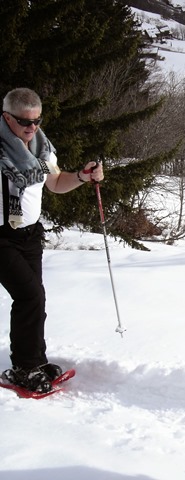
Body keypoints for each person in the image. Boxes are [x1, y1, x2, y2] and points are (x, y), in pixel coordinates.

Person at [0, 87, 103, 393]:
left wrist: (82, 177)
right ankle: (24, 368)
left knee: (35, 299)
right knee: (30, 296)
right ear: (7, 118)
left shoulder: (41, 151)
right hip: (1, 237)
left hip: (30, 234)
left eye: (37, 121)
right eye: (24, 122)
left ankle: (34, 361)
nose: (32, 128)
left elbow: (56, 182)